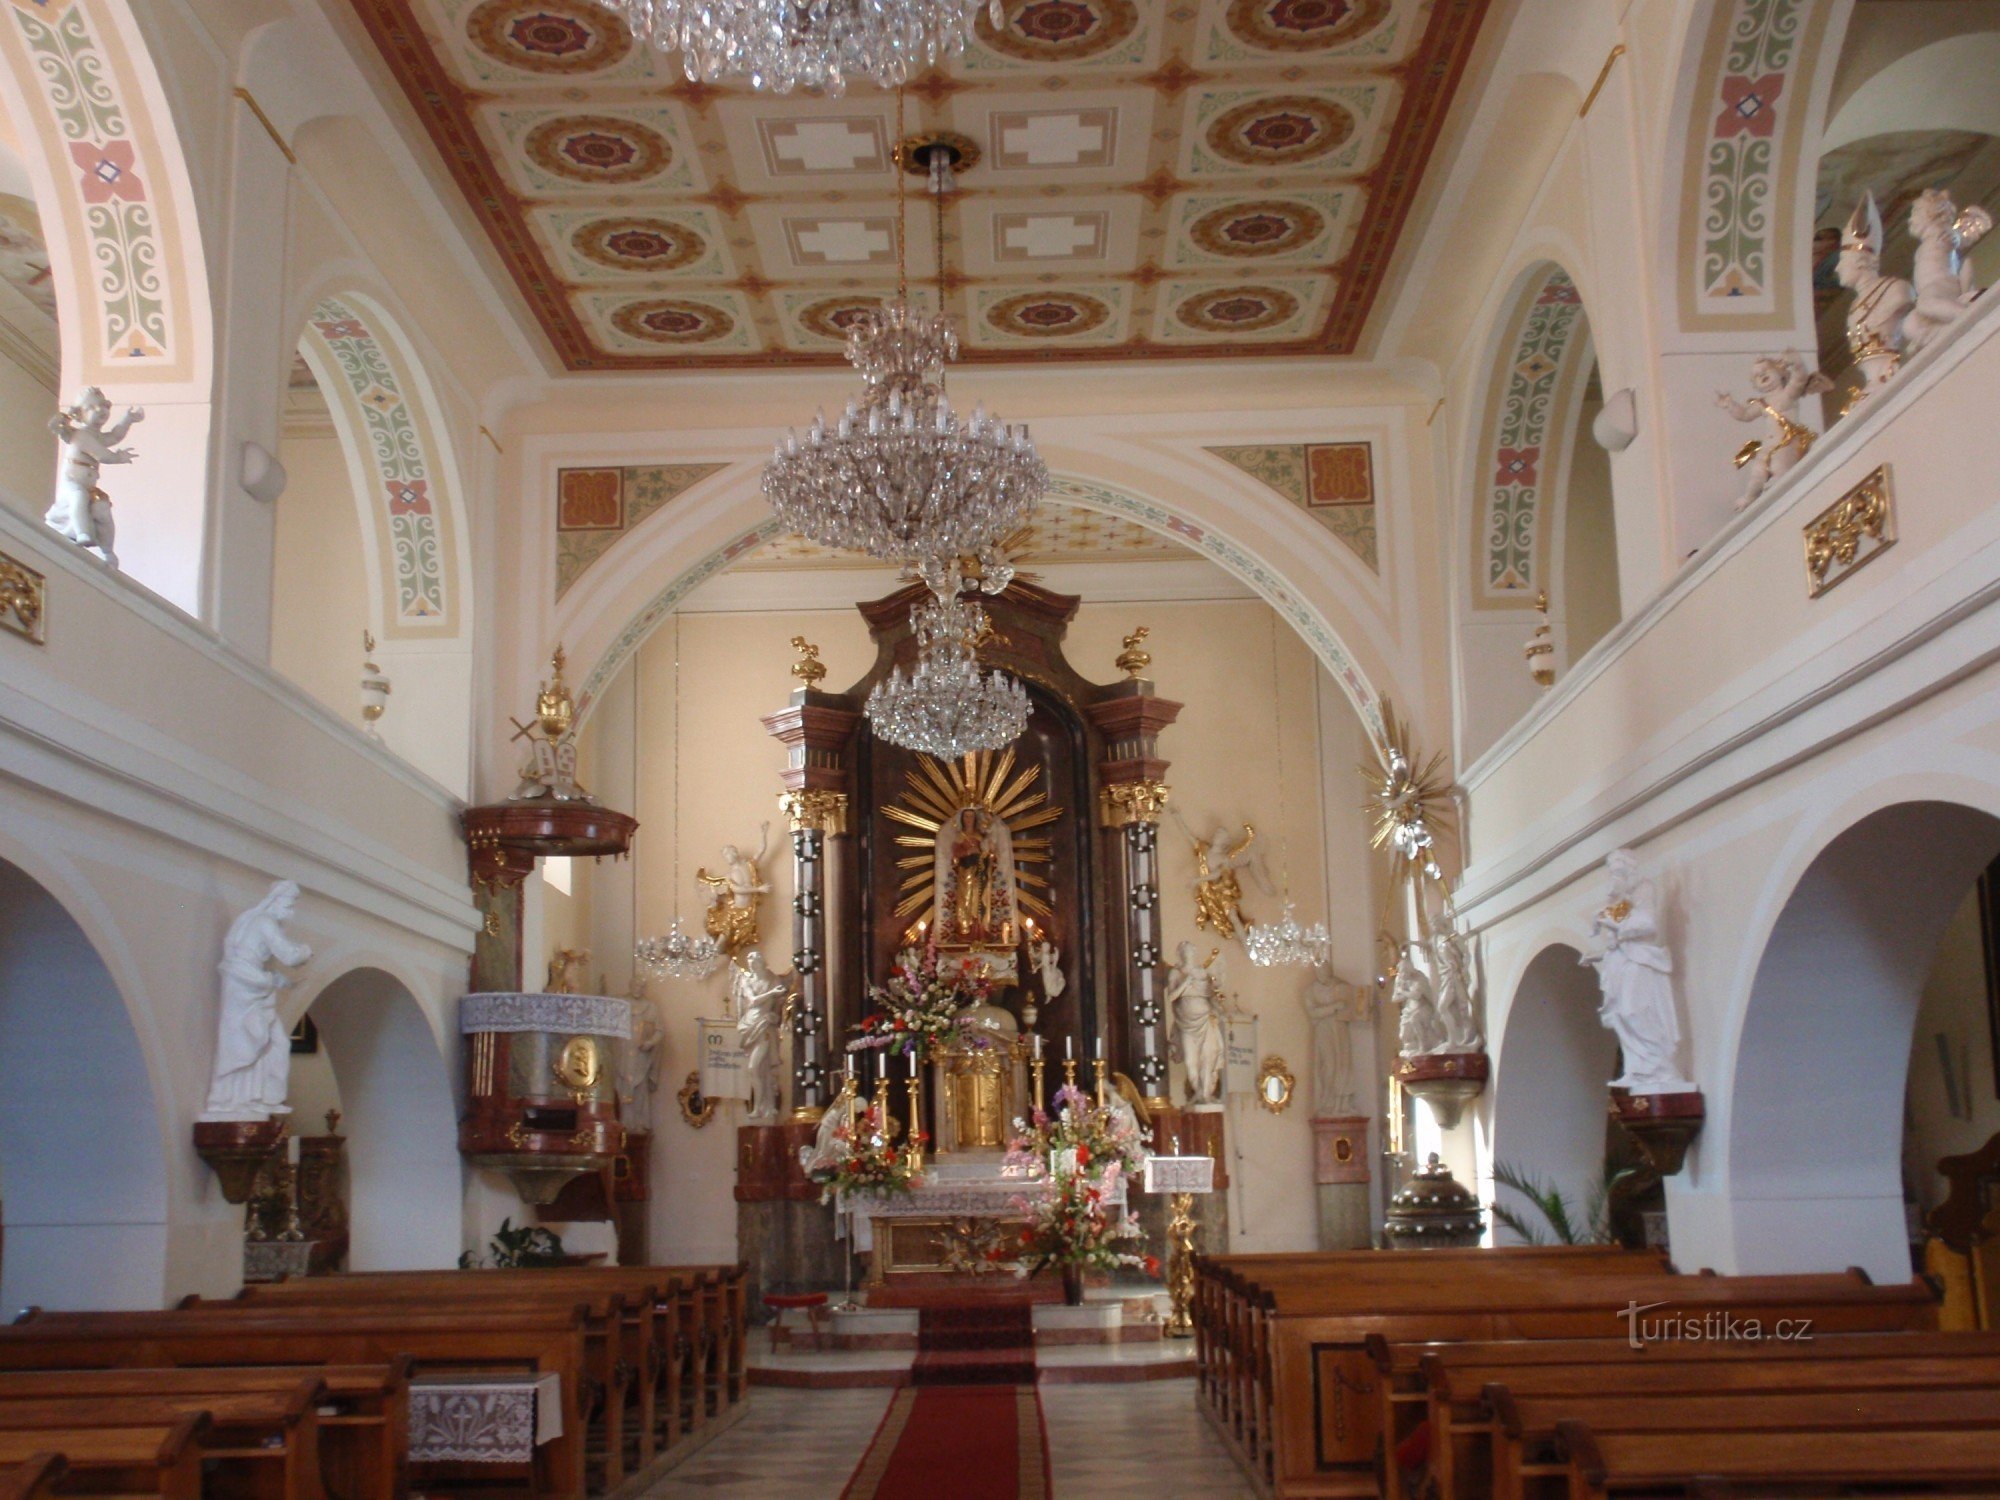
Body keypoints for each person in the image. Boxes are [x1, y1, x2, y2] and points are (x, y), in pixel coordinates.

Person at [1580, 849, 1694, 1092]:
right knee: (1621, 1014)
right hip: (1622, 962)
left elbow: (1647, 924)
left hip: (1639, 962)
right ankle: (1638, 1070)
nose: (1613, 876)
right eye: (1611, 872)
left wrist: (1609, 921)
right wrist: (1597, 955)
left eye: (1616, 870)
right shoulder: (1623, 901)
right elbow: (1616, 937)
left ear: (1627, 869)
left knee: (1634, 1011)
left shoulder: (1642, 889)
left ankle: (1660, 1068)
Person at [202, 881, 312, 1120]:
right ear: (276, 900)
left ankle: (260, 1098)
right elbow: (289, 955)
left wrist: (273, 979)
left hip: (251, 982)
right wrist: (305, 951)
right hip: (245, 986)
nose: (290, 911)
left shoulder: (249, 919)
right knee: (250, 1041)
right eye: (289, 904)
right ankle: (234, 1099)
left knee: (273, 1043)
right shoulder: (263, 922)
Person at [1167, 941, 1227, 1107]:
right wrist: (1186, 983)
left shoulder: (1202, 973)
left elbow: (1211, 995)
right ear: (1180, 954)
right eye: (1185, 952)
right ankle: (1198, 1091)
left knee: (1208, 1057)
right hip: (1186, 1024)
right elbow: (1171, 997)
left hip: (1205, 1020)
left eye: (1191, 951)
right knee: (1190, 1060)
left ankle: (1205, 1094)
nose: (1189, 955)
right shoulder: (1175, 973)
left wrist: (1217, 996)